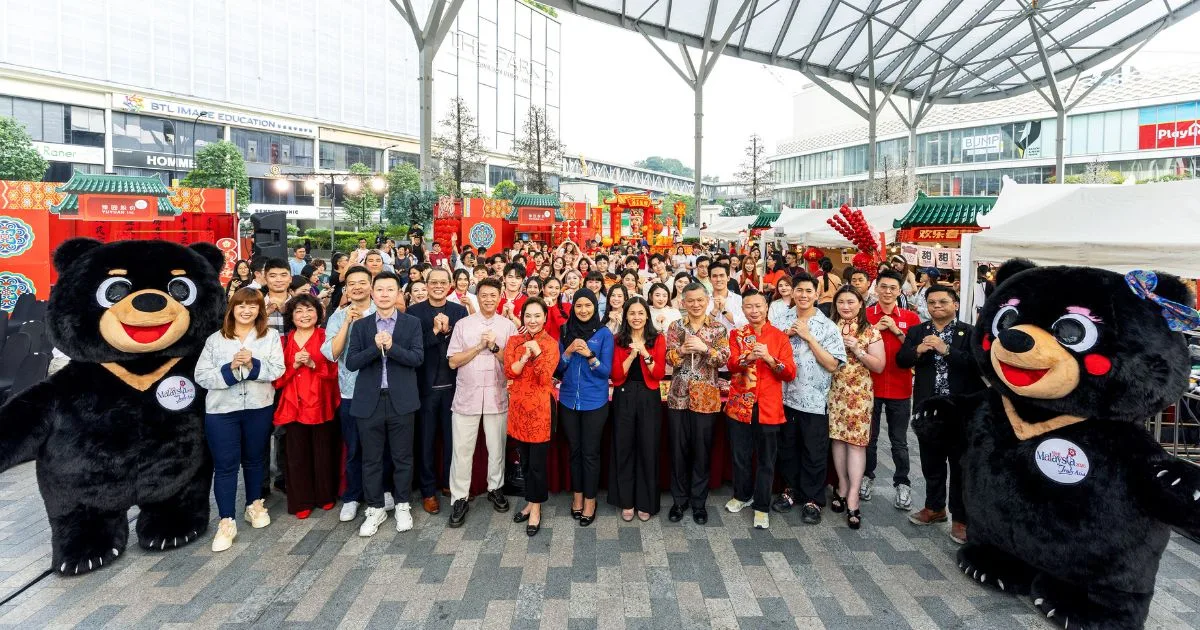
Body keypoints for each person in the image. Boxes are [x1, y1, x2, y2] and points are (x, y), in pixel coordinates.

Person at [195, 288, 286, 552]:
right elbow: (201, 376)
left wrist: (254, 364)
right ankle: (226, 520)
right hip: (222, 411)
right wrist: (230, 368)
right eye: (241, 306)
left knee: (256, 458)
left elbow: (278, 369)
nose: (247, 311)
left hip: (259, 406)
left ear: (260, 310)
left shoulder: (269, 337)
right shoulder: (216, 340)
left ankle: (254, 504)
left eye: (253, 306)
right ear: (232, 308)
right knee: (225, 466)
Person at [896, 286, 983, 544]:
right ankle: (934, 508)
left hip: (960, 410)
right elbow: (902, 361)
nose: (937, 306)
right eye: (932, 302)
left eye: (943, 302)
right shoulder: (918, 331)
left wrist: (947, 350)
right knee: (931, 463)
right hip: (929, 410)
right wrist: (918, 350)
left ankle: (961, 519)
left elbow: (979, 365)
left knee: (960, 466)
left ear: (955, 304)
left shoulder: (970, 333)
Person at [344, 271, 424, 537]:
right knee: (371, 459)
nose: (385, 294)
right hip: (370, 401)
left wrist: (392, 348)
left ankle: (402, 504)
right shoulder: (362, 326)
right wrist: (374, 349)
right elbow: (351, 362)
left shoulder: (411, 323)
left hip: (402, 400)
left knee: (402, 457)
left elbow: (417, 359)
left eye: (391, 289)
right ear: (372, 293)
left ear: (398, 293)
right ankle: (375, 507)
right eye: (380, 289)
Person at [772, 272, 846, 524]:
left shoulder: (827, 326)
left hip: (814, 400)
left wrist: (808, 337)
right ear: (792, 293)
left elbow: (833, 365)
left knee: (814, 450)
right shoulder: (781, 319)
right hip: (784, 397)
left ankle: (814, 499)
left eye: (808, 291)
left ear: (817, 294)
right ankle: (790, 490)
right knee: (788, 448)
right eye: (799, 290)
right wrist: (785, 336)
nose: (803, 295)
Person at [445, 278, 517, 527]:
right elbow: (453, 361)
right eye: (484, 295)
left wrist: (495, 346)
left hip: (497, 396)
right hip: (467, 396)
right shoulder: (464, 325)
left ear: (500, 297)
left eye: (493, 295)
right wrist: (479, 346)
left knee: (497, 447)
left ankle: (496, 488)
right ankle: (459, 498)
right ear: (478, 297)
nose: (488, 299)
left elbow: (512, 363)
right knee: (462, 450)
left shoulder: (508, 326)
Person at [723, 290, 797, 530]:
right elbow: (732, 364)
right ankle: (742, 495)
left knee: (766, 458)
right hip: (739, 404)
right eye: (748, 307)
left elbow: (789, 373)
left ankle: (762, 505)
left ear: (766, 307)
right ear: (742, 309)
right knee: (740, 454)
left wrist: (769, 358)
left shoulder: (779, 337)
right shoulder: (736, 334)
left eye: (758, 306)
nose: (754, 311)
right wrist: (747, 357)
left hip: (768, 406)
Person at [664, 282, 731, 525]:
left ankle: (699, 503)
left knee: (702, 453)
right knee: (678, 451)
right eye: (690, 300)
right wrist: (681, 350)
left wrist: (705, 349)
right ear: (683, 302)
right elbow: (668, 357)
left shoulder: (718, 329)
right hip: (678, 397)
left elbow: (724, 358)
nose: (695, 304)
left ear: (708, 301)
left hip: (706, 399)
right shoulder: (675, 326)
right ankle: (679, 501)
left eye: (700, 300)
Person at [320, 265, 380, 523]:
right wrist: (346, 322)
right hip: (351, 391)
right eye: (351, 283)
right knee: (354, 447)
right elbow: (332, 353)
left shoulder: (383, 312)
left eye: (362, 282)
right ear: (346, 289)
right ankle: (353, 496)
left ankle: (382, 491)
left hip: (381, 390)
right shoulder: (338, 316)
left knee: (381, 447)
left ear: (371, 285)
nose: (357, 287)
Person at [407, 268, 468, 515]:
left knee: (453, 440)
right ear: (426, 284)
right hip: (425, 387)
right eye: (434, 282)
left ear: (451, 284)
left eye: (444, 282)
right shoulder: (413, 313)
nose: (438, 286)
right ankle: (428, 490)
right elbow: (413, 350)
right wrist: (434, 332)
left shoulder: (459, 311)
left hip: (454, 386)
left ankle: (448, 483)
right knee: (427, 441)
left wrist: (450, 331)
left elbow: (464, 344)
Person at [273, 294, 340, 519]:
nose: (304, 315)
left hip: (321, 402)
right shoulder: (285, 340)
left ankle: (325, 495)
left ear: (318, 313)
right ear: (291, 316)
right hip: (294, 405)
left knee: (323, 451)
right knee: (296, 454)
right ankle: (301, 500)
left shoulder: (325, 336)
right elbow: (277, 378)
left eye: (309, 310)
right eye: (299, 311)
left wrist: (313, 364)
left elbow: (334, 372)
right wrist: (294, 364)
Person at [861, 269, 922, 510]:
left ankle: (902, 483)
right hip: (869, 386)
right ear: (876, 289)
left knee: (899, 440)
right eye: (883, 287)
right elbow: (857, 343)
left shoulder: (911, 317)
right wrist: (875, 327)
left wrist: (897, 330)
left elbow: (916, 350)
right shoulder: (865, 314)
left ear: (900, 291)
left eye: (892, 288)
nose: (887, 292)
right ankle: (867, 476)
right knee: (870, 438)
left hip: (901, 387)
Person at [827, 285, 886, 531]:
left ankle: (853, 495)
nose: (846, 306)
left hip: (859, 393)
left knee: (857, 443)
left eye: (851, 302)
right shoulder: (829, 328)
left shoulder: (870, 331)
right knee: (837, 440)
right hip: (834, 390)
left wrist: (857, 349)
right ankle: (841, 484)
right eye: (841, 302)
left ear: (861, 304)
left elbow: (879, 366)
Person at [557, 288, 614, 527]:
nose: (583, 310)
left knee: (590, 452)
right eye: (578, 306)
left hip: (594, 402)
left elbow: (605, 372)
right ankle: (577, 495)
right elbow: (558, 370)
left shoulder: (603, 334)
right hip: (568, 400)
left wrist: (590, 355)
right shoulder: (564, 330)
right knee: (575, 451)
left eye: (588, 306)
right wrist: (569, 352)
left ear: (595, 307)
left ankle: (590, 500)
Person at [608, 296, 666, 522]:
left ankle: (646, 501)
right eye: (632, 313)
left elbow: (658, 374)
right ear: (626, 316)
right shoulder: (618, 339)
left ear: (647, 316)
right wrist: (632, 354)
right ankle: (626, 501)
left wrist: (645, 353)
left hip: (649, 396)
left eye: (641, 313)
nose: (636, 317)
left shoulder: (657, 339)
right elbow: (616, 375)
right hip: (624, 396)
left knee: (647, 448)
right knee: (624, 448)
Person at [505, 298, 560, 537]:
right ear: (522, 316)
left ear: (545, 317)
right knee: (524, 462)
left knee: (537, 464)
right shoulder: (514, 340)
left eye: (538, 316)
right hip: (518, 408)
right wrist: (524, 357)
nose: (533, 320)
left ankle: (536, 508)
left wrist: (537, 355)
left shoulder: (550, 344)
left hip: (541, 410)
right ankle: (530, 501)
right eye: (528, 315)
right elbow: (509, 371)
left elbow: (544, 377)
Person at [707, 263, 747, 333]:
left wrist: (724, 311)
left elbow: (744, 324)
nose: (718, 279)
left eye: (722, 275)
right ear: (710, 279)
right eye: (714, 276)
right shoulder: (704, 300)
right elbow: (701, 325)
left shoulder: (738, 299)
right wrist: (714, 311)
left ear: (728, 278)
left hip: (733, 341)